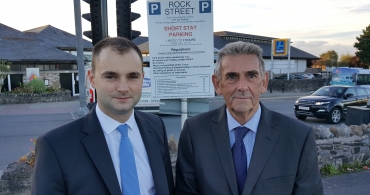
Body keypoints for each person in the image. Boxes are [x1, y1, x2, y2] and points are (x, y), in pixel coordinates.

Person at [175, 41, 323, 195]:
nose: (242, 86)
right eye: (232, 76)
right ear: (217, 84)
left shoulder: (298, 137)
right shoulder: (195, 133)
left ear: (264, 82)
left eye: (251, 75)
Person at [31, 37, 174, 195]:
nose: (123, 87)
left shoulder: (155, 126)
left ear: (142, 77)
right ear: (92, 79)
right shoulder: (56, 145)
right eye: (111, 76)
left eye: (132, 76)